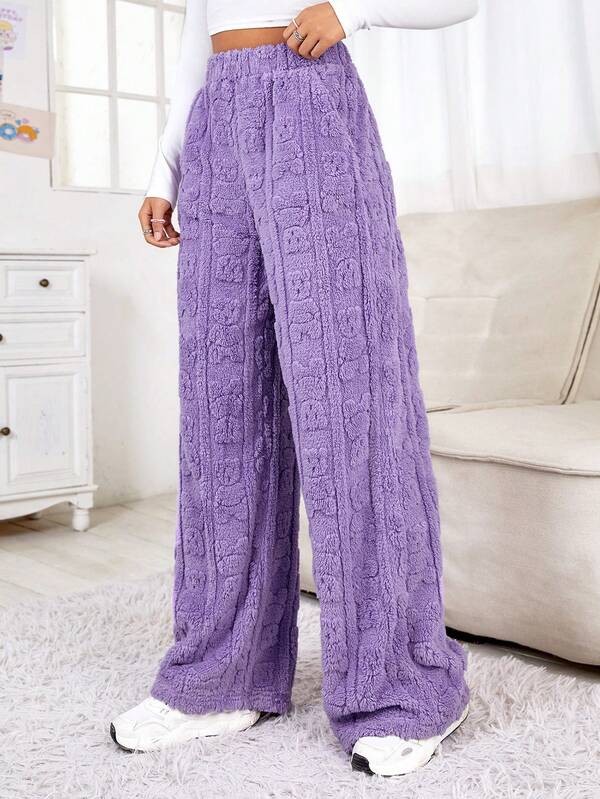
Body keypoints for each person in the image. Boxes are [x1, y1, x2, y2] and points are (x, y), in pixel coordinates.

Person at [111, 0, 479, 777]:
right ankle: (222, 674)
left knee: (350, 402)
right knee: (221, 405)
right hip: (216, 131)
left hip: (311, 104)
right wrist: (164, 170)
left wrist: (354, 10)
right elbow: (198, 45)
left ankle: (401, 684)